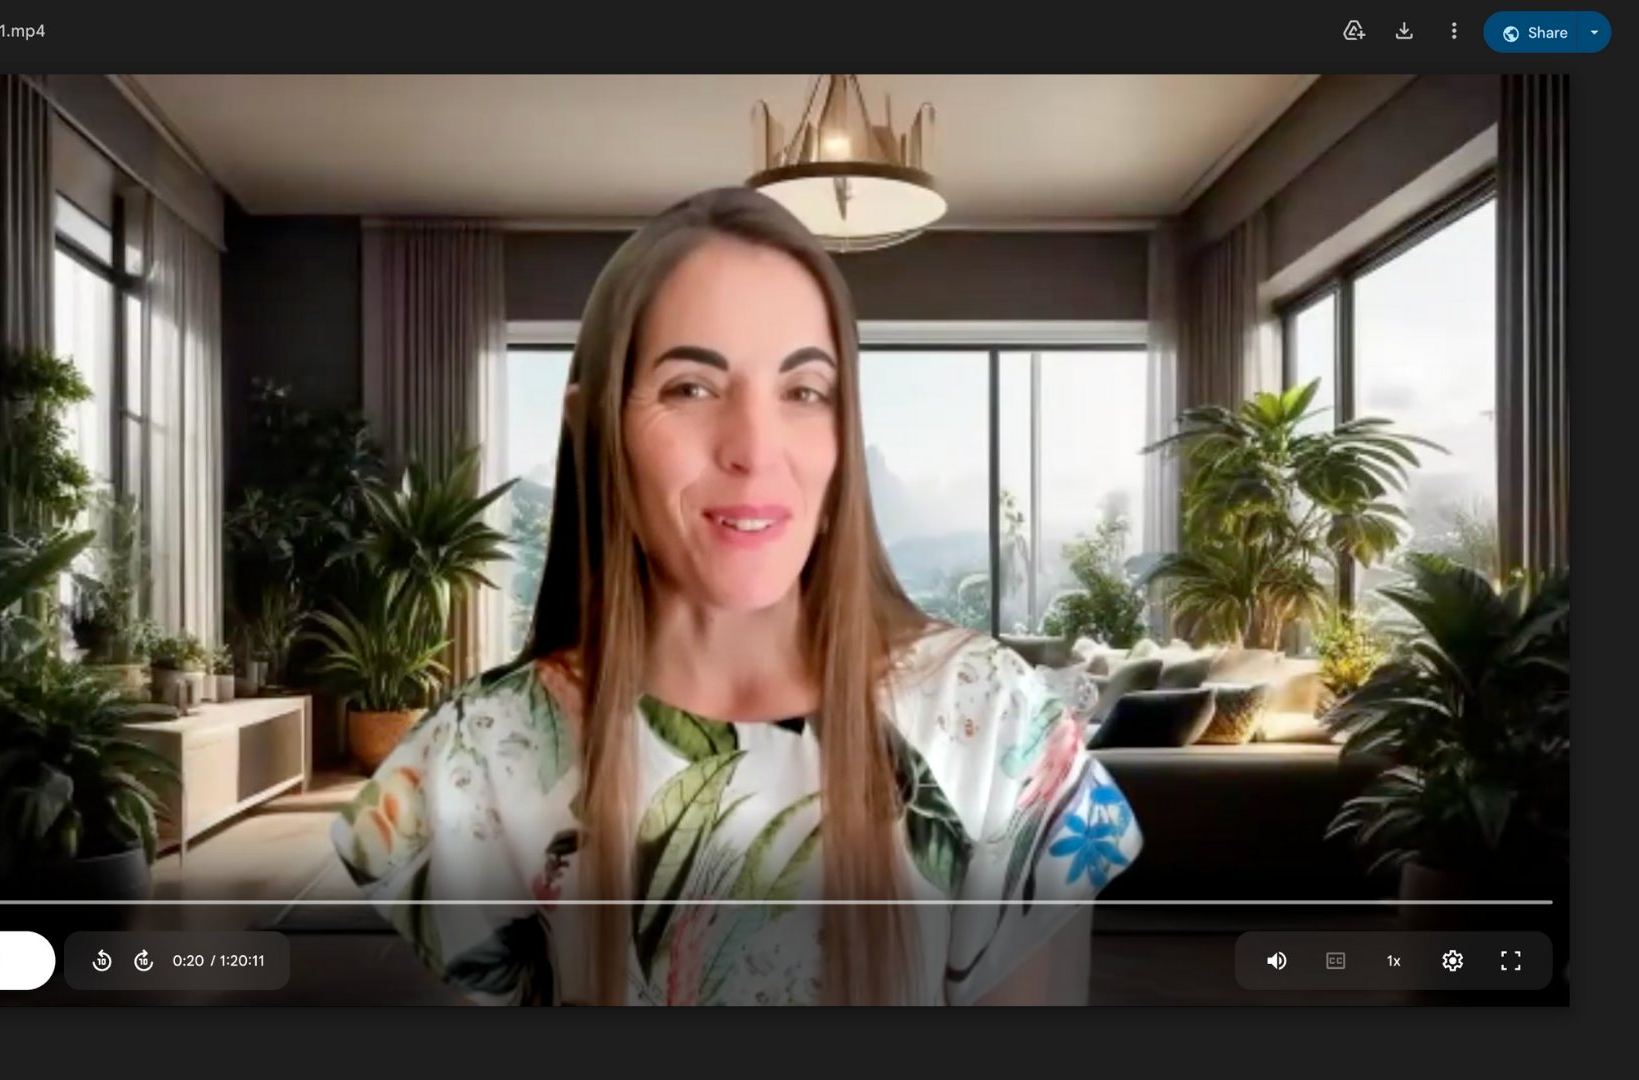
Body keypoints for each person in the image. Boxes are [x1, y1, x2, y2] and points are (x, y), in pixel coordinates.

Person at [330, 186, 1141, 1005]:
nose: (754, 449)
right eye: (691, 387)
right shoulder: (472, 766)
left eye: (803, 391)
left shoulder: (997, 727)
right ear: (594, 426)